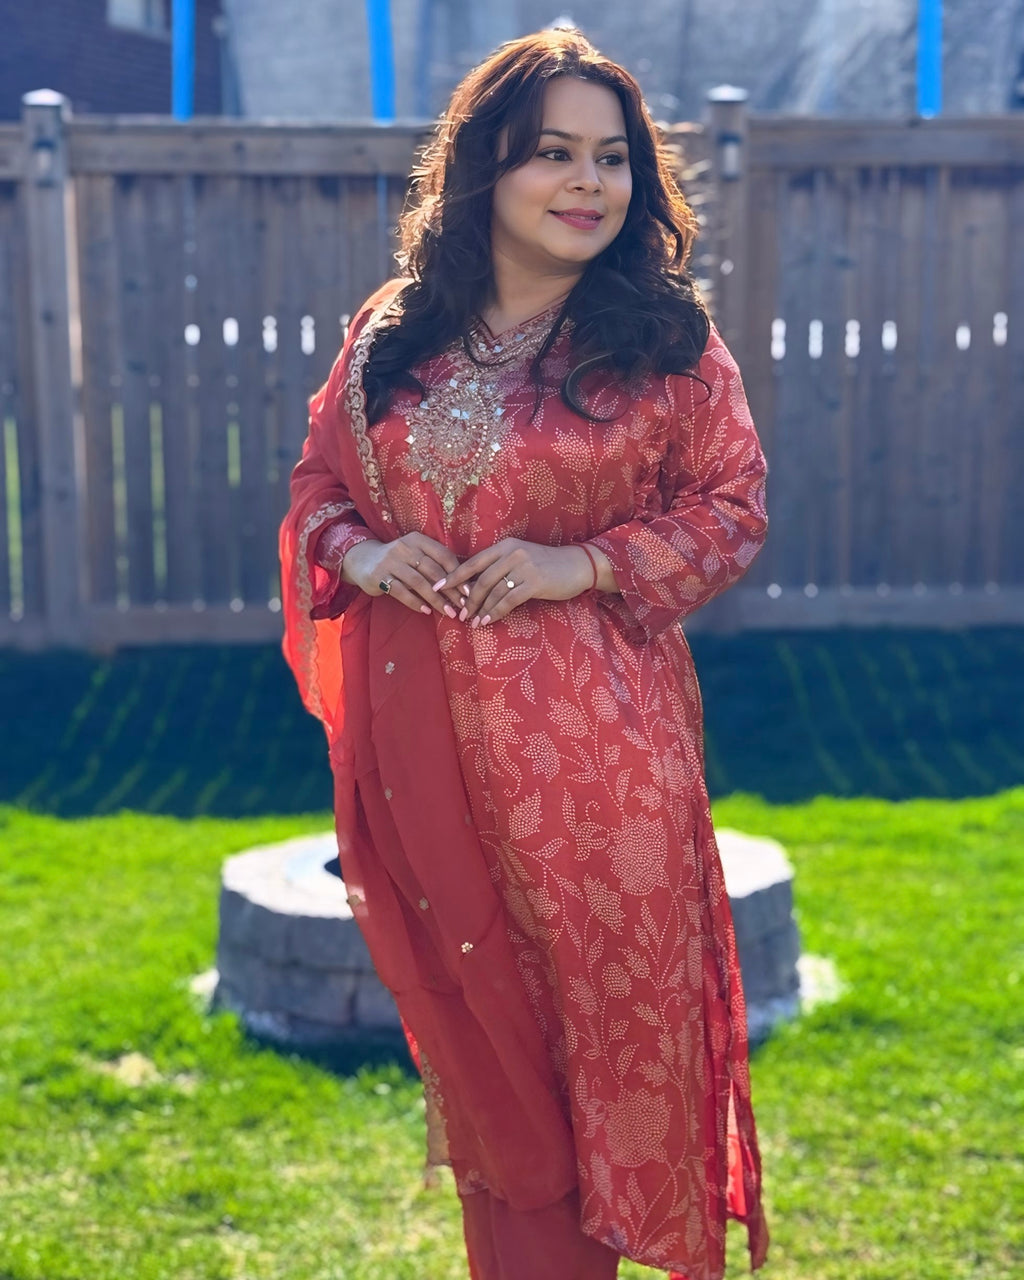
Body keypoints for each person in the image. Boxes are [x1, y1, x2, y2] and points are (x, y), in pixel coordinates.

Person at [278, 26, 769, 1280]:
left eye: (612, 158)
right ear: (484, 167)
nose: (587, 183)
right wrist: (366, 553)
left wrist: (584, 562)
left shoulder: (663, 345)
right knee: (485, 1058)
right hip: (419, 748)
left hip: (590, 778)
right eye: (552, 152)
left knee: (583, 1063)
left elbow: (733, 508)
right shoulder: (393, 332)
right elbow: (319, 485)